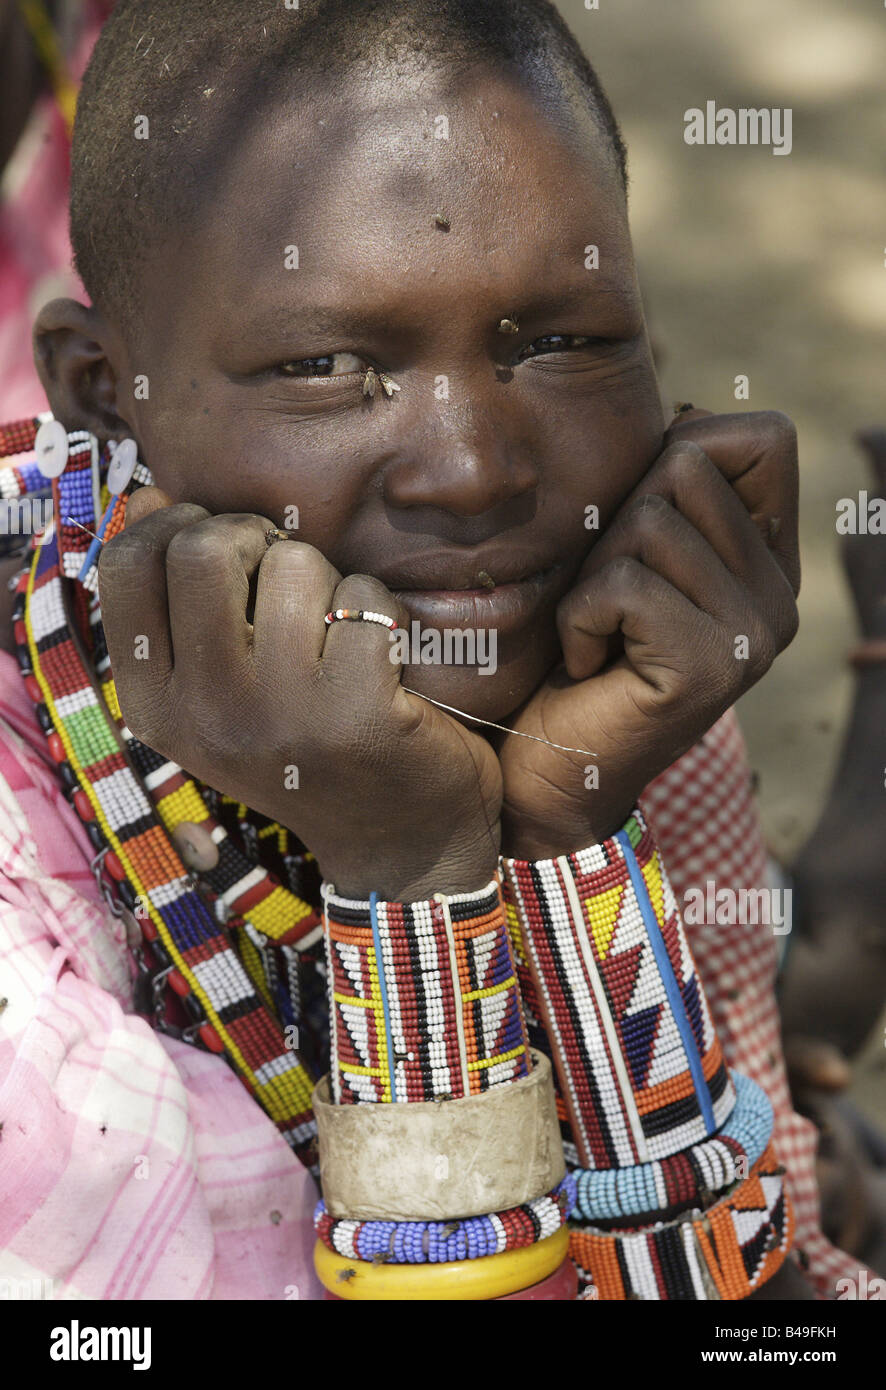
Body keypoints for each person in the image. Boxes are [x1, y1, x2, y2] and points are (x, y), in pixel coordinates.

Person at [0, 0, 866, 1299]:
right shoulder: (31, 845)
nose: (471, 471)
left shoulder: (590, 657)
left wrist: (566, 825)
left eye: (562, 342)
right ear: (96, 386)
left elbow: (778, 1287)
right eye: (327, 363)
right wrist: (407, 876)